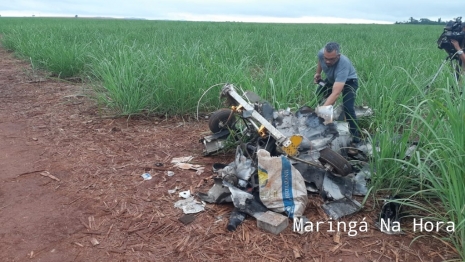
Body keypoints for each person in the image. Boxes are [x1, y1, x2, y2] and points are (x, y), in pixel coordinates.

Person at [313, 42, 361, 144]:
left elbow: (335, 93)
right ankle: (326, 126)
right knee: (317, 97)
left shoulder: (344, 64)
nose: (327, 61)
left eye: (331, 59)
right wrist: (318, 73)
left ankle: (355, 138)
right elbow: (320, 61)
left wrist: (322, 111)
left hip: (349, 82)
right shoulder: (322, 54)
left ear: (338, 56)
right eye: (326, 58)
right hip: (332, 79)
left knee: (348, 107)